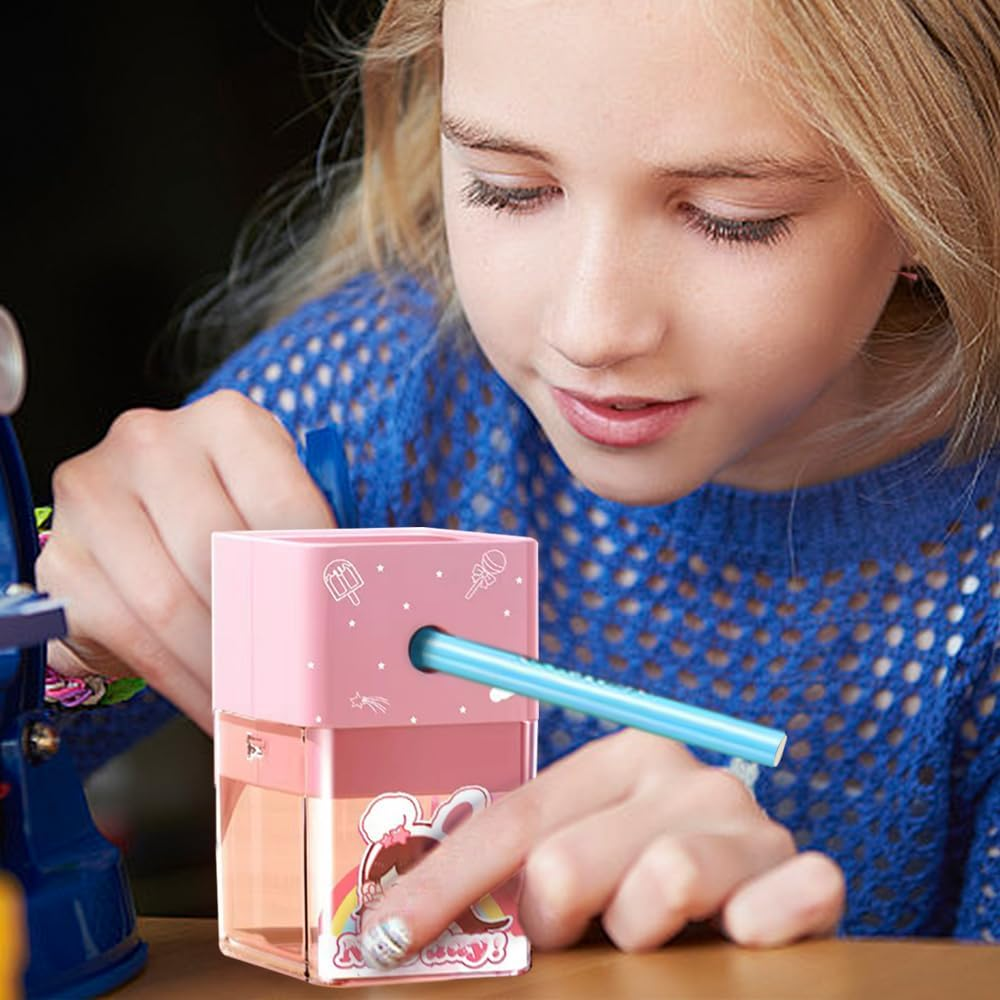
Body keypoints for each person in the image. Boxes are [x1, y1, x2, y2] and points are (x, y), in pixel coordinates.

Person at [36, 0, 999, 961]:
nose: (590, 329)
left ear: (936, 191)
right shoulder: (371, 402)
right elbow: (47, 716)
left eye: (731, 220)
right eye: (508, 189)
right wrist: (60, 654)